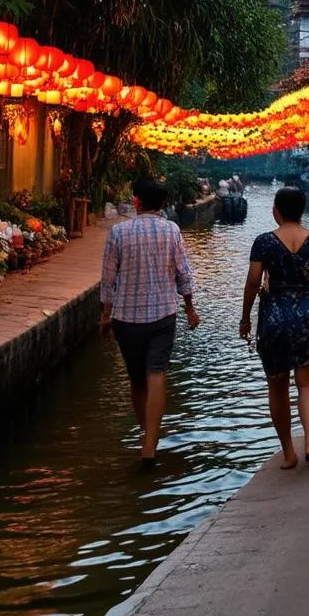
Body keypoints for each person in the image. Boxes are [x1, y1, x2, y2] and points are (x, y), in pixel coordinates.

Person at [240, 187, 309, 469]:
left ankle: (289, 452)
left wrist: (245, 317)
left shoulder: (263, 242)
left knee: (277, 385)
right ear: (302, 209)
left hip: (274, 317)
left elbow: (253, 282)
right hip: (308, 316)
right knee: (307, 383)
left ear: (276, 209)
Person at [100, 179, 201, 469]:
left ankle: (146, 434)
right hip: (162, 315)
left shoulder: (118, 232)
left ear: (137, 201)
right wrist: (190, 309)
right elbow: (184, 273)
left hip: (126, 317)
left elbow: (108, 280)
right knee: (156, 372)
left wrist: (105, 316)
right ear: (162, 204)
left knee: (136, 378)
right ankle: (150, 445)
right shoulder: (172, 230)